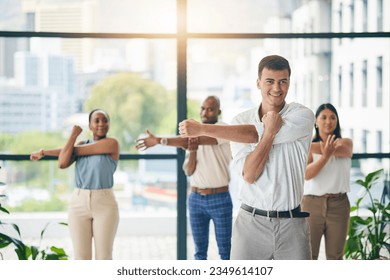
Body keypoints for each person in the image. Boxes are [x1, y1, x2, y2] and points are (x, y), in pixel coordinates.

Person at [179, 55, 315, 260]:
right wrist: (269, 133)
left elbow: (253, 133)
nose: (277, 88)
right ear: (258, 82)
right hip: (251, 224)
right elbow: (250, 175)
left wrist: (201, 129)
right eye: (270, 81)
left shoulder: (302, 115)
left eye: (283, 81)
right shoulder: (240, 121)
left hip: (292, 224)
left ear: (289, 82)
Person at [136, 96, 233, 260]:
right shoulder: (193, 138)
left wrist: (160, 140)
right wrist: (193, 150)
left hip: (220, 198)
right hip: (196, 199)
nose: (205, 112)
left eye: (210, 109)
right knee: (199, 252)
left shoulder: (222, 129)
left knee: (225, 252)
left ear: (219, 112)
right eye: (203, 108)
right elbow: (189, 171)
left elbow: (200, 140)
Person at [30, 109, 120, 260]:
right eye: (96, 120)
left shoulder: (111, 144)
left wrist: (50, 150)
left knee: (104, 256)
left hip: (104, 203)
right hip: (78, 202)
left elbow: (76, 151)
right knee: (81, 257)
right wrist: (72, 137)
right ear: (90, 125)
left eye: (105, 120)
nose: (101, 124)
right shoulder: (81, 144)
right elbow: (63, 163)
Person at [301, 103, 353, 260]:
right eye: (323, 117)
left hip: (339, 204)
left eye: (332, 117)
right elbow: (307, 175)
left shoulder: (346, 143)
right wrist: (325, 156)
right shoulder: (309, 146)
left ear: (337, 121)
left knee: (335, 256)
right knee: (309, 255)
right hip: (312, 204)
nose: (328, 121)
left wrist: (315, 148)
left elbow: (344, 150)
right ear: (316, 121)